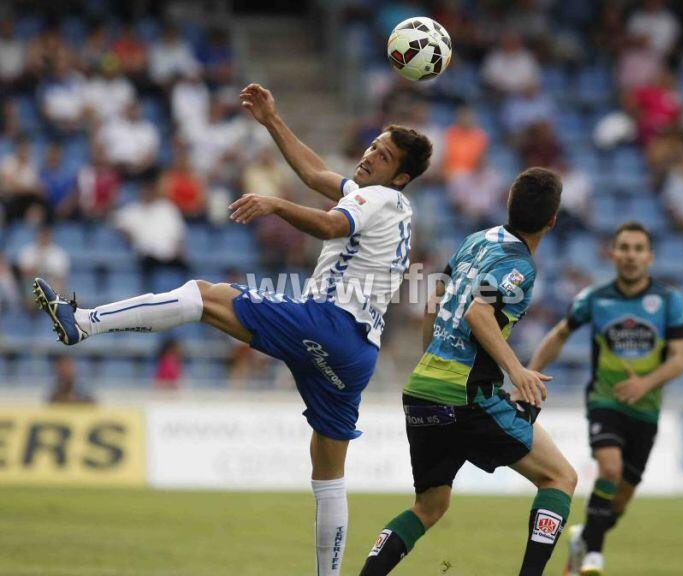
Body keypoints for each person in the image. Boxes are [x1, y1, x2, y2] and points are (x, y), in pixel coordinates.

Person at [33, 82, 432, 576]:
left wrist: (276, 205)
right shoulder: (388, 204)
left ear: (403, 176)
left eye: (384, 154)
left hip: (330, 324)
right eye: (374, 144)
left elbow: (332, 227)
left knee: (204, 295)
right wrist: (271, 120)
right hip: (356, 355)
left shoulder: (378, 199)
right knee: (329, 473)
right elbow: (314, 171)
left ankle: (83, 323)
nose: (371, 154)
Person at [358, 168, 577, 576]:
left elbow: (435, 298)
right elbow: (479, 312)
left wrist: (433, 360)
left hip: (424, 387)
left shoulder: (477, 240)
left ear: (509, 204)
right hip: (465, 395)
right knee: (560, 478)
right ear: (552, 221)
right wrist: (517, 371)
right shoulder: (519, 266)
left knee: (429, 507)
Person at [528, 221, 683, 576]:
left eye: (638, 249)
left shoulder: (668, 301)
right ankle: (593, 557)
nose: (631, 256)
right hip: (605, 400)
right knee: (610, 469)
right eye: (624, 248)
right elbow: (559, 334)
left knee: (620, 498)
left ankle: (583, 538)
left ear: (649, 256)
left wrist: (645, 383)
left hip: (646, 410)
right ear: (613, 253)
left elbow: (680, 359)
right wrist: (530, 371)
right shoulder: (596, 298)